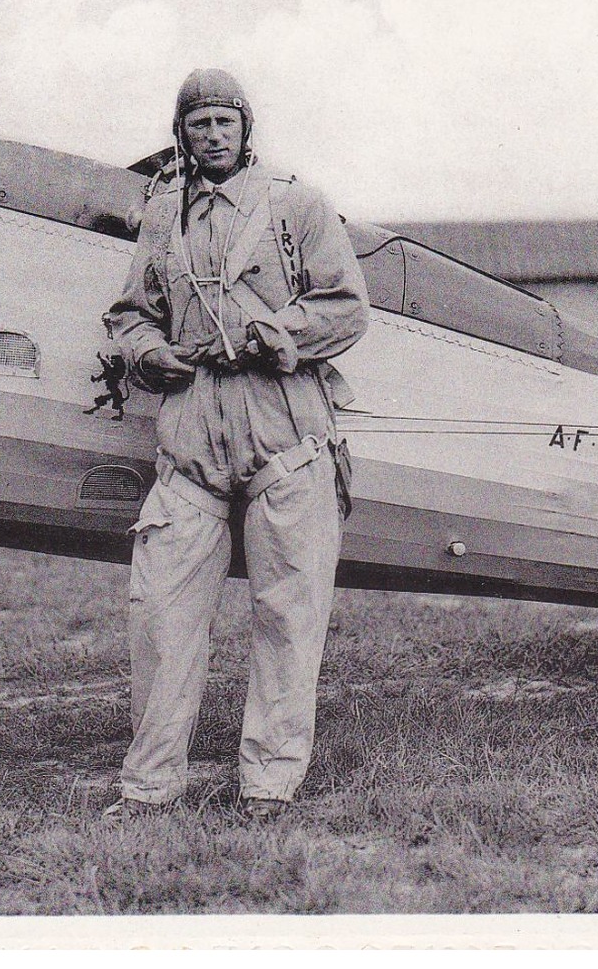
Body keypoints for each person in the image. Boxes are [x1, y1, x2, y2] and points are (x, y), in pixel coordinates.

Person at [102, 68, 370, 821]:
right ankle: (151, 787)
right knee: (160, 614)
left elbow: (347, 308)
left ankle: (269, 786)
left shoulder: (297, 204)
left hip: (287, 430)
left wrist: (274, 334)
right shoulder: (162, 217)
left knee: (288, 614)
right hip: (191, 435)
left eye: (225, 122)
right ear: (180, 135)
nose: (213, 136)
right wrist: (151, 354)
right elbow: (130, 315)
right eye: (198, 125)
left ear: (246, 128)